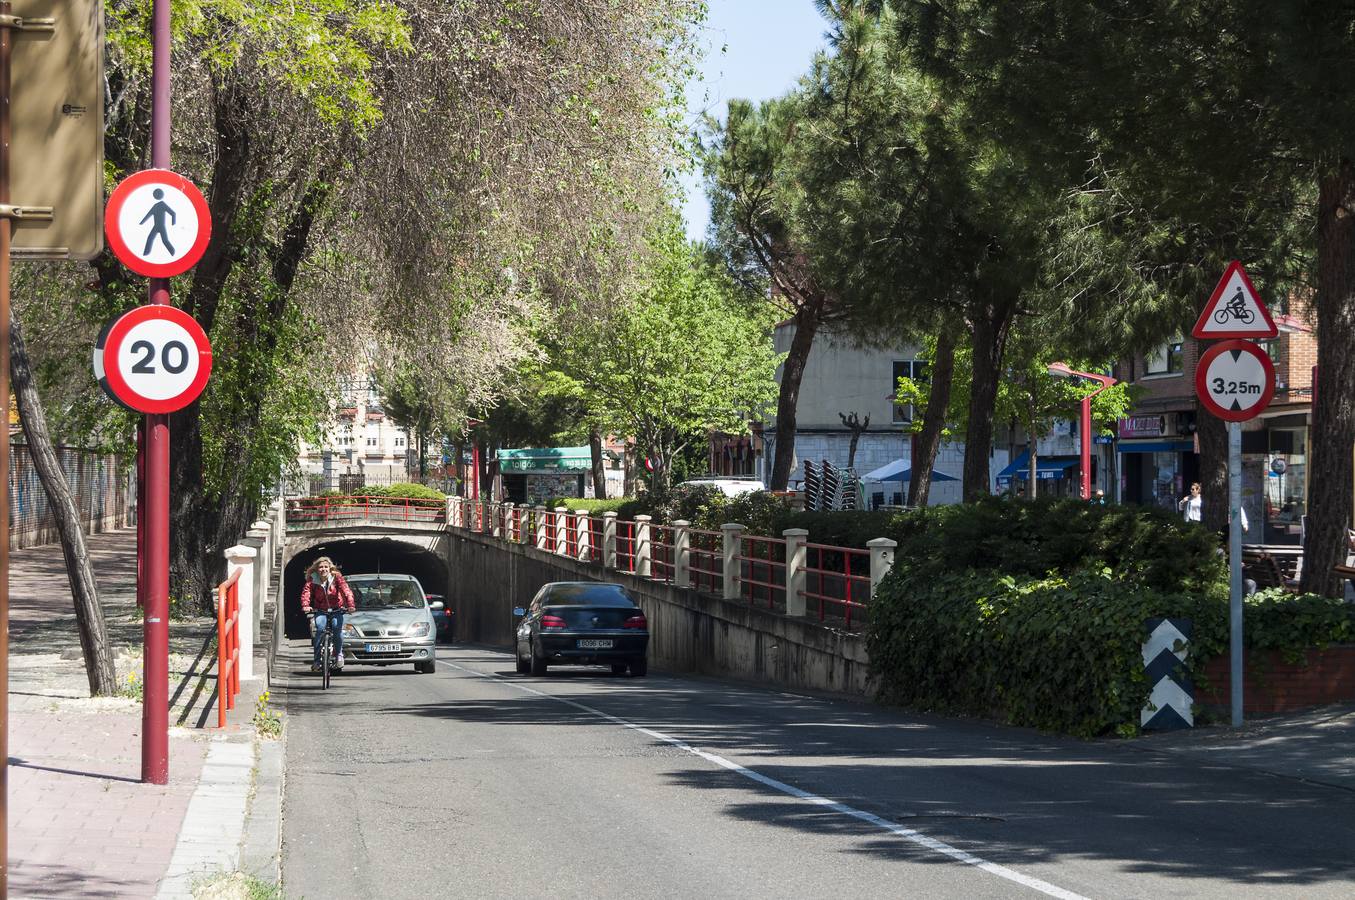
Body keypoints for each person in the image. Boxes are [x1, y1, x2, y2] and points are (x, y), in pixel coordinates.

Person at [300, 557, 354, 671]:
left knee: (337, 627)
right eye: (320, 567)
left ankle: (339, 654)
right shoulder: (312, 580)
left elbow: (346, 590)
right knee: (319, 629)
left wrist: (350, 605)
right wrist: (306, 605)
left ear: (330, 568)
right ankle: (317, 660)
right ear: (316, 569)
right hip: (320, 609)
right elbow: (306, 593)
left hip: (336, 608)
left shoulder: (337, 578)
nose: (323, 569)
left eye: (325, 567)